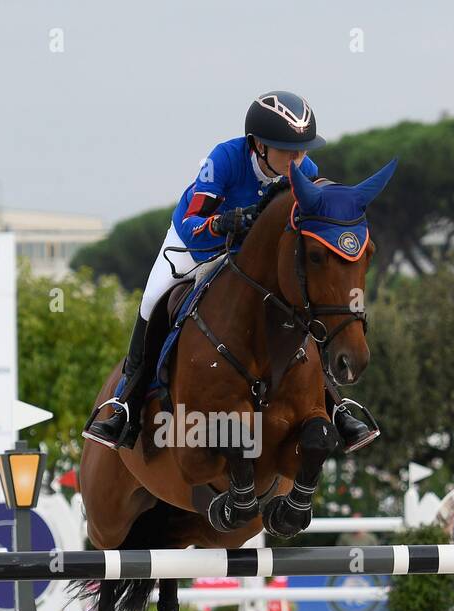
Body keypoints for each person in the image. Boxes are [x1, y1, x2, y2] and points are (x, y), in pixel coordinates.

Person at [82, 90, 377, 453]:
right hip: (196, 247)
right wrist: (223, 222)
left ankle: (335, 404)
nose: (298, 159)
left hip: (248, 259)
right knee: (151, 300)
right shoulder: (224, 159)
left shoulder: (306, 173)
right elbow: (192, 223)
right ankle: (126, 400)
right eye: (288, 150)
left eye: (303, 150)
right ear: (259, 146)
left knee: (304, 307)